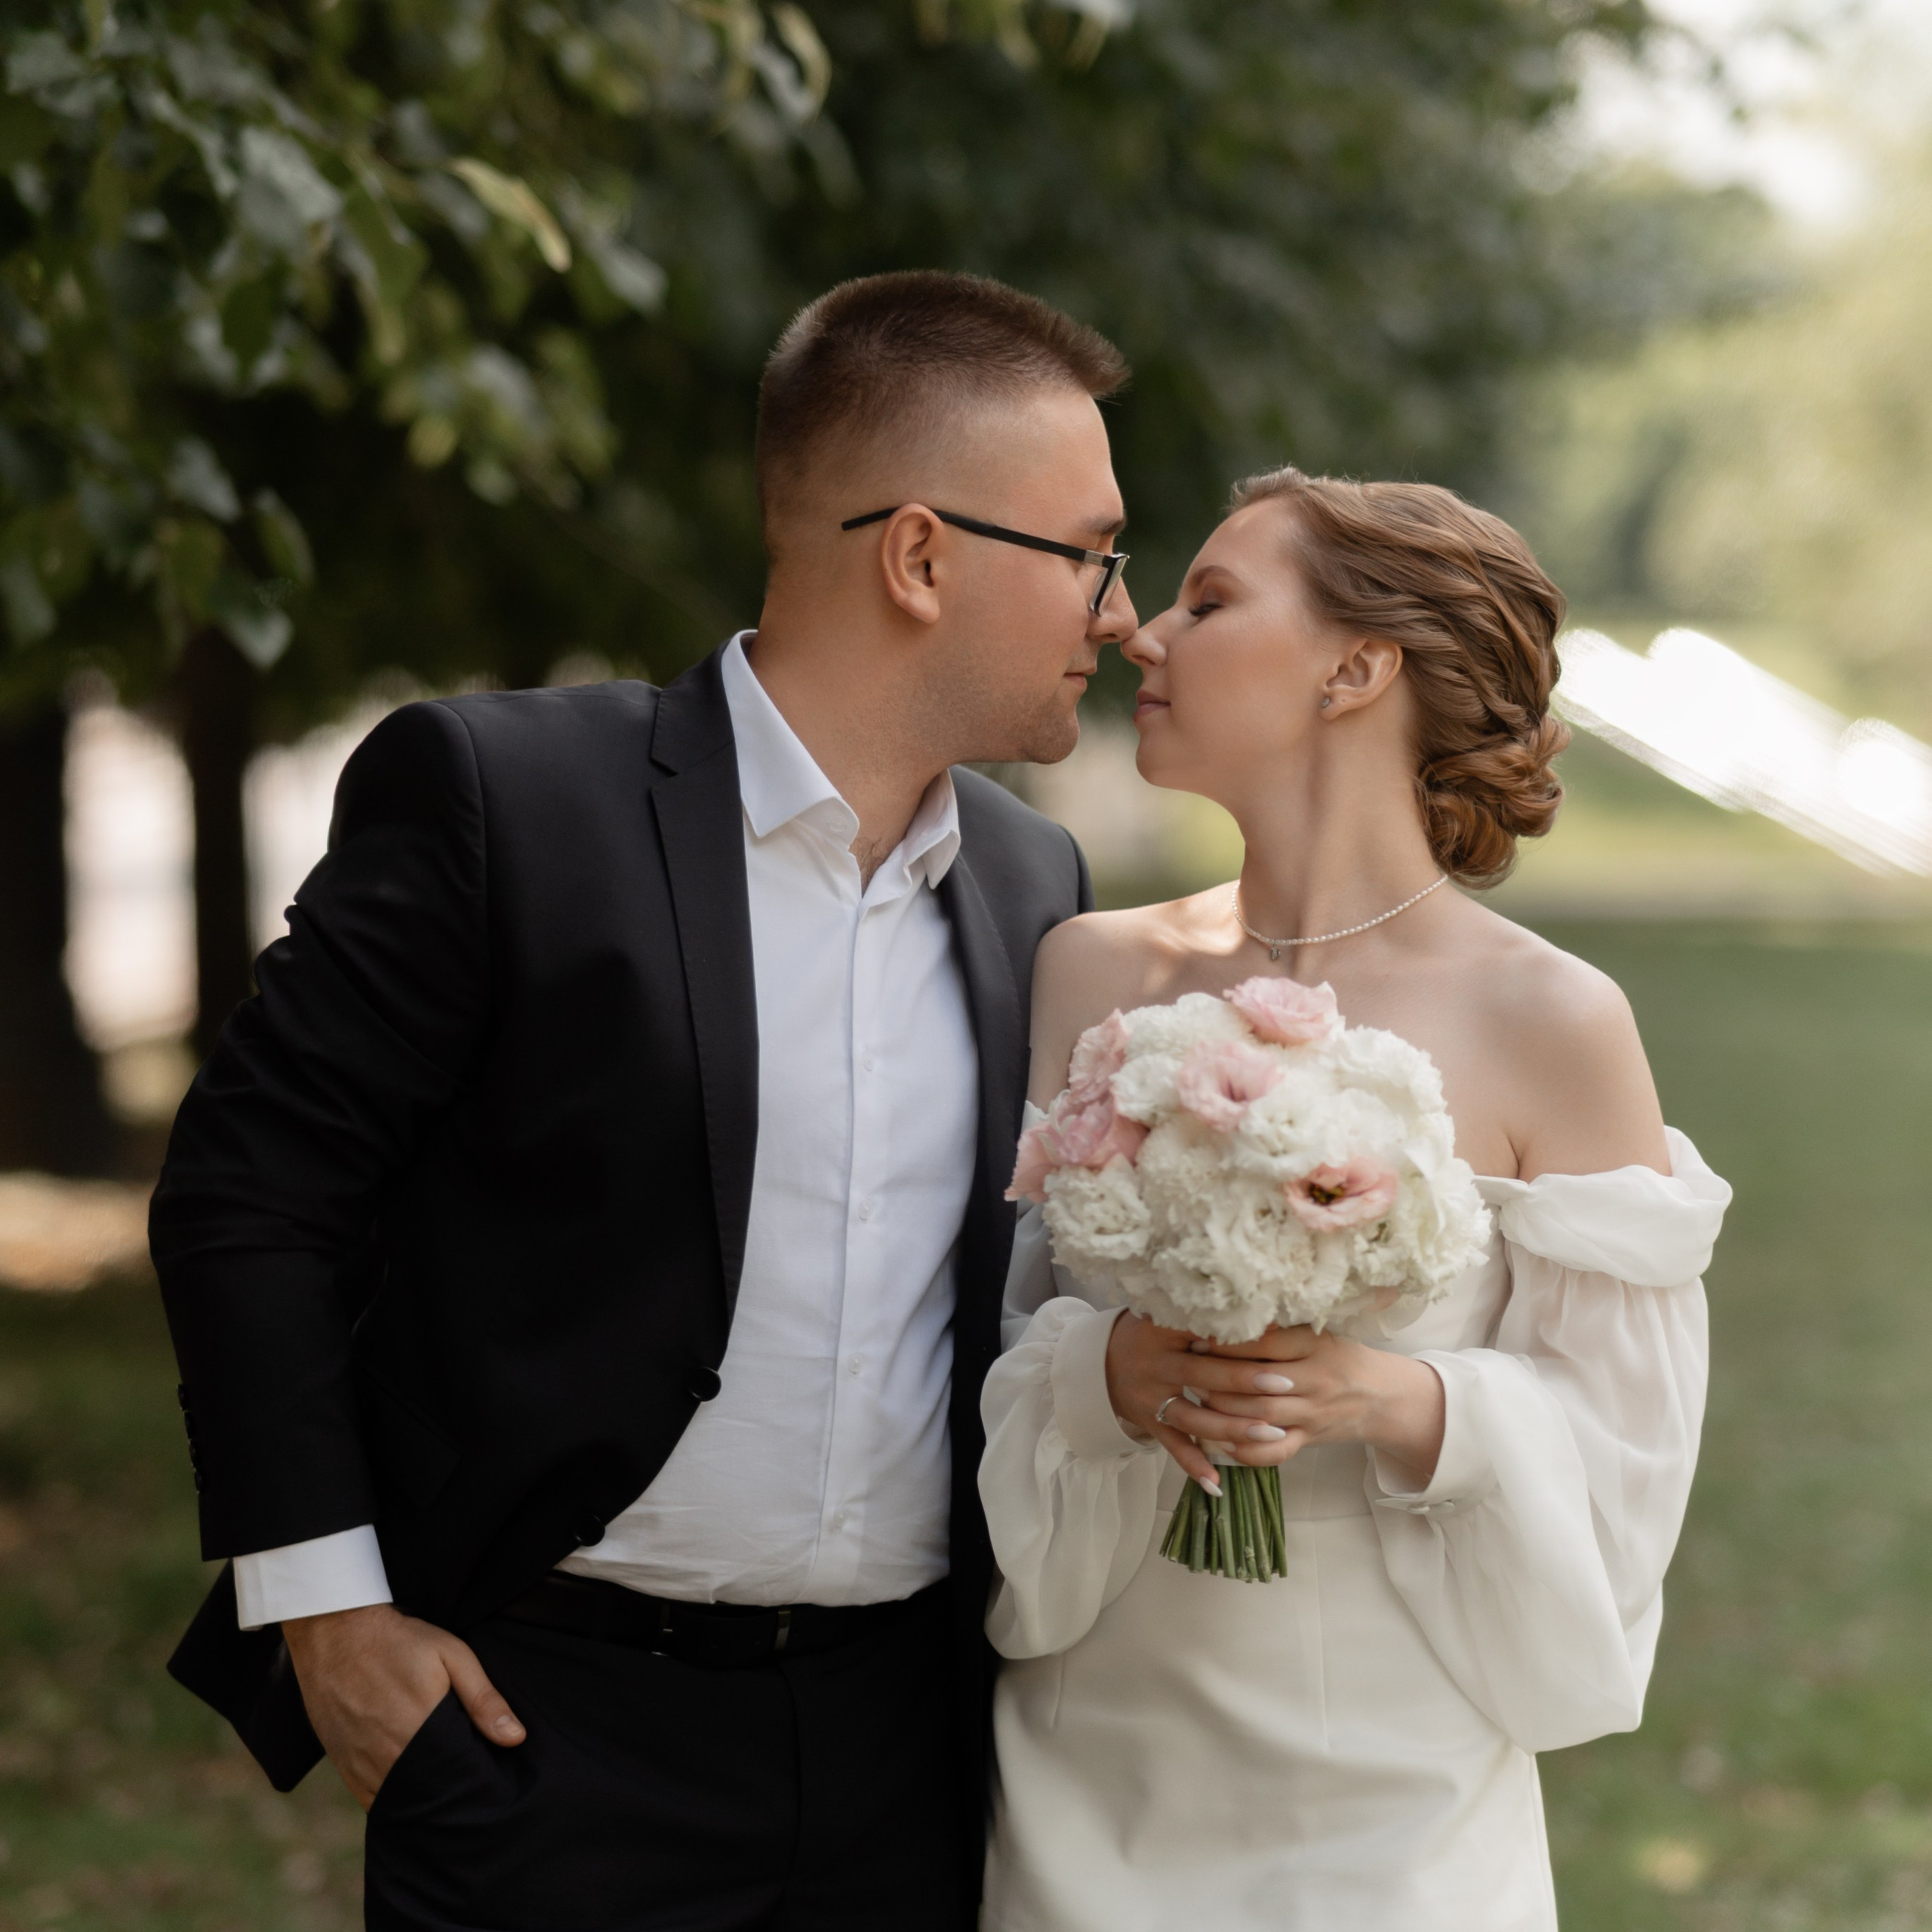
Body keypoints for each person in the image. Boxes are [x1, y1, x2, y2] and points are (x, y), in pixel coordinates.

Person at [149, 269, 1139, 1932]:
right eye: (1091, 549)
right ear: (918, 554)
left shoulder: (1037, 884)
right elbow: (250, 1195)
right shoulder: (501, 797)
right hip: (543, 1738)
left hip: (908, 1753)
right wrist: (328, 1614)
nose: (1119, 609)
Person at [978, 468, 1731, 1930]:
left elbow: (1624, 1472)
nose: (1144, 634)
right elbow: (989, 1348)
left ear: (1354, 664)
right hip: (1087, 1780)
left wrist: (1396, 1398)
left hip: (1390, 1829)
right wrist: (1108, 1372)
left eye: (1207, 601)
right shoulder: (1086, 970)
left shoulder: (1553, 1019)